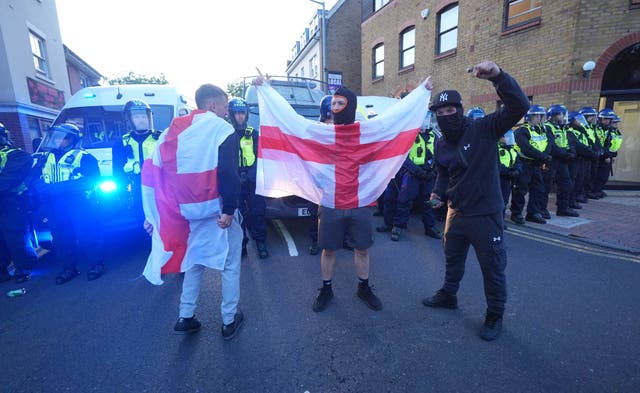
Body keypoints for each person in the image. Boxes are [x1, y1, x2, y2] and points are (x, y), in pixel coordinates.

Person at [254, 74, 433, 314]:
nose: (335, 107)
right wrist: (266, 89)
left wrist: (421, 92)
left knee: (362, 248)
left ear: (350, 106)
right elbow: (290, 120)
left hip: (360, 202)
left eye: (340, 103)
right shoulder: (321, 133)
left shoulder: (367, 132)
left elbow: (394, 119)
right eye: (333, 104)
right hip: (330, 202)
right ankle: (326, 288)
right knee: (328, 249)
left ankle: (364, 287)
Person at [422, 60, 529, 341]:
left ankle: (495, 314)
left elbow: (519, 107)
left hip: (485, 214)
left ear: (460, 110)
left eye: (451, 110)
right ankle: (449, 295)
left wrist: (498, 76)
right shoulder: (440, 143)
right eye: (441, 112)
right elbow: (444, 173)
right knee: (452, 259)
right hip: (455, 213)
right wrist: (437, 193)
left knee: (492, 268)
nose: (446, 115)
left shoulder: (485, 129)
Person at [141, 84, 244, 339]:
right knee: (230, 265)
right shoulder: (221, 128)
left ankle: (186, 316)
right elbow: (228, 172)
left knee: (194, 261)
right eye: (224, 105)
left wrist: (152, 214)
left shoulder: (172, 130)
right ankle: (229, 320)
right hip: (218, 209)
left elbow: (155, 172)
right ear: (212, 105)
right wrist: (230, 209)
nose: (226, 111)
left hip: (186, 213)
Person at [31, 123, 105, 284]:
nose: (56, 141)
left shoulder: (84, 157)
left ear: (71, 139)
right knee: (60, 238)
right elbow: (32, 178)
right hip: (53, 205)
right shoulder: (45, 158)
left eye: (61, 138)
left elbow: (92, 180)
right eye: (54, 137)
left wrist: (58, 188)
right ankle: (68, 268)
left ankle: (96, 264)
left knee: (87, 234)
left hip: (79, 204)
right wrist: (41, 187)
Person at [377, 125, 441, 240]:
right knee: (404, 200)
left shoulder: (434, 136)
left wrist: (434, 171)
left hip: (429, 174)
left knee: (430, 201)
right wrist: (417, 171)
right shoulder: (409, 134)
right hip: (412, 173)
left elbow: (440, 154)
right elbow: (403, 155)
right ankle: (398, 226)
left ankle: (430, 226)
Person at [228, 98, 269, 259]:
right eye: (237, 113)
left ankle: (261, 243)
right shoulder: (226, 134)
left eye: (242, 113)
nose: (240, 117)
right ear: (232, 115)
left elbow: (261, 156)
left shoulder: (253, 134)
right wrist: (236, 176)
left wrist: (251, 175)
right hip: (235, 180)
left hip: (252, 181)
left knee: (257, 213)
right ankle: (242, 244)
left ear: (247, 115)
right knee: (238, 216)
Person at [112, 100, 162, 224]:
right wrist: (121, 193)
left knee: (160, 221)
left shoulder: (160, 138)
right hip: (135, 186)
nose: (141, 120)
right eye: (137, 116)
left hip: (158, 186)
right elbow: (117, 170)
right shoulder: (122, 142)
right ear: (129, 120)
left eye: (144, 116)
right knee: (140, 221)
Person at [0, 123, 38, 283]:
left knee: (15, 236)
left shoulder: (16, 156)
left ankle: (23, 267)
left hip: (11, 201)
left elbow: (7, 181)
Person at [510, 105, 550, 225]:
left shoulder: (542, 129)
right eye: (536, 115)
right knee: (520, 189)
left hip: (536, 164)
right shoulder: (522, 131)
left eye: (541, 116)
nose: (539, 118)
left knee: (538, 189)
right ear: (529, 117)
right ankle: (516, 213)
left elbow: (548, 143)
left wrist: (545, 156)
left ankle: (533, 213)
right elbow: (526, 148)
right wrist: (543, 157)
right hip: (524, 163)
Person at [542, 104, 578, 217]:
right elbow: (551, 145)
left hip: (562, 160)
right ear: (554, 115)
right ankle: (542, 209)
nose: (563, 117)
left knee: (566, 184)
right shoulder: (548, 127)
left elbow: (567, 142)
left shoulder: (562, 127)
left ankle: (563, 208)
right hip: (552, 160)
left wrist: (571, 152)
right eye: (561, 114)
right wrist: (565, 154)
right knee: (546, 185)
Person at [308, 95, 333, 255]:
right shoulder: (315, 130)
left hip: (337, 180)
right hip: (317, 179)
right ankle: (315, 241)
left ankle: (342, 239)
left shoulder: (344, 130)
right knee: (315, 213)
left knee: (337, 212)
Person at [566, 112, 597, 208]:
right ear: (572, 121)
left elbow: (589, 143)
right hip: (575, 160)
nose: (580, 123)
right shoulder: (570, 131)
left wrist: (594, 151)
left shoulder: (581, 131)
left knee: (579, 180)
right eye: (578, 121)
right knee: (573, 181)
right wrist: (592, 153)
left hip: (583, 159)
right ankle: (569, 202)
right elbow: (579, 146)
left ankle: (574, 199)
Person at [591, 108, 619, 198]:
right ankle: (593, 191)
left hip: (606, 155)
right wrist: (605, 156)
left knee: (603, 176)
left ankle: (598, 190)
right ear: (602, 119)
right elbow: (597, 143)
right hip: (598, 156)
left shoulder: (609, 130)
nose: (610, 121)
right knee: (596, 176)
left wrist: (612, 155)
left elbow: (610, 144)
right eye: (607, 119)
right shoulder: (597, 129)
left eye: (610, 120)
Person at [497, 129, 520, 226]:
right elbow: (496, 164)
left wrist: (517, 171)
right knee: (498, 200)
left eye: (510, 137)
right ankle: (498, 221)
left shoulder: (513, 150)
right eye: (506, 137)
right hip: (499, 178)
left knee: (505, 200)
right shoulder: (496, 149)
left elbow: (519, 162)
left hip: (508, 178)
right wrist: (508, 172)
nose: (509, 139)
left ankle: (501, 220)